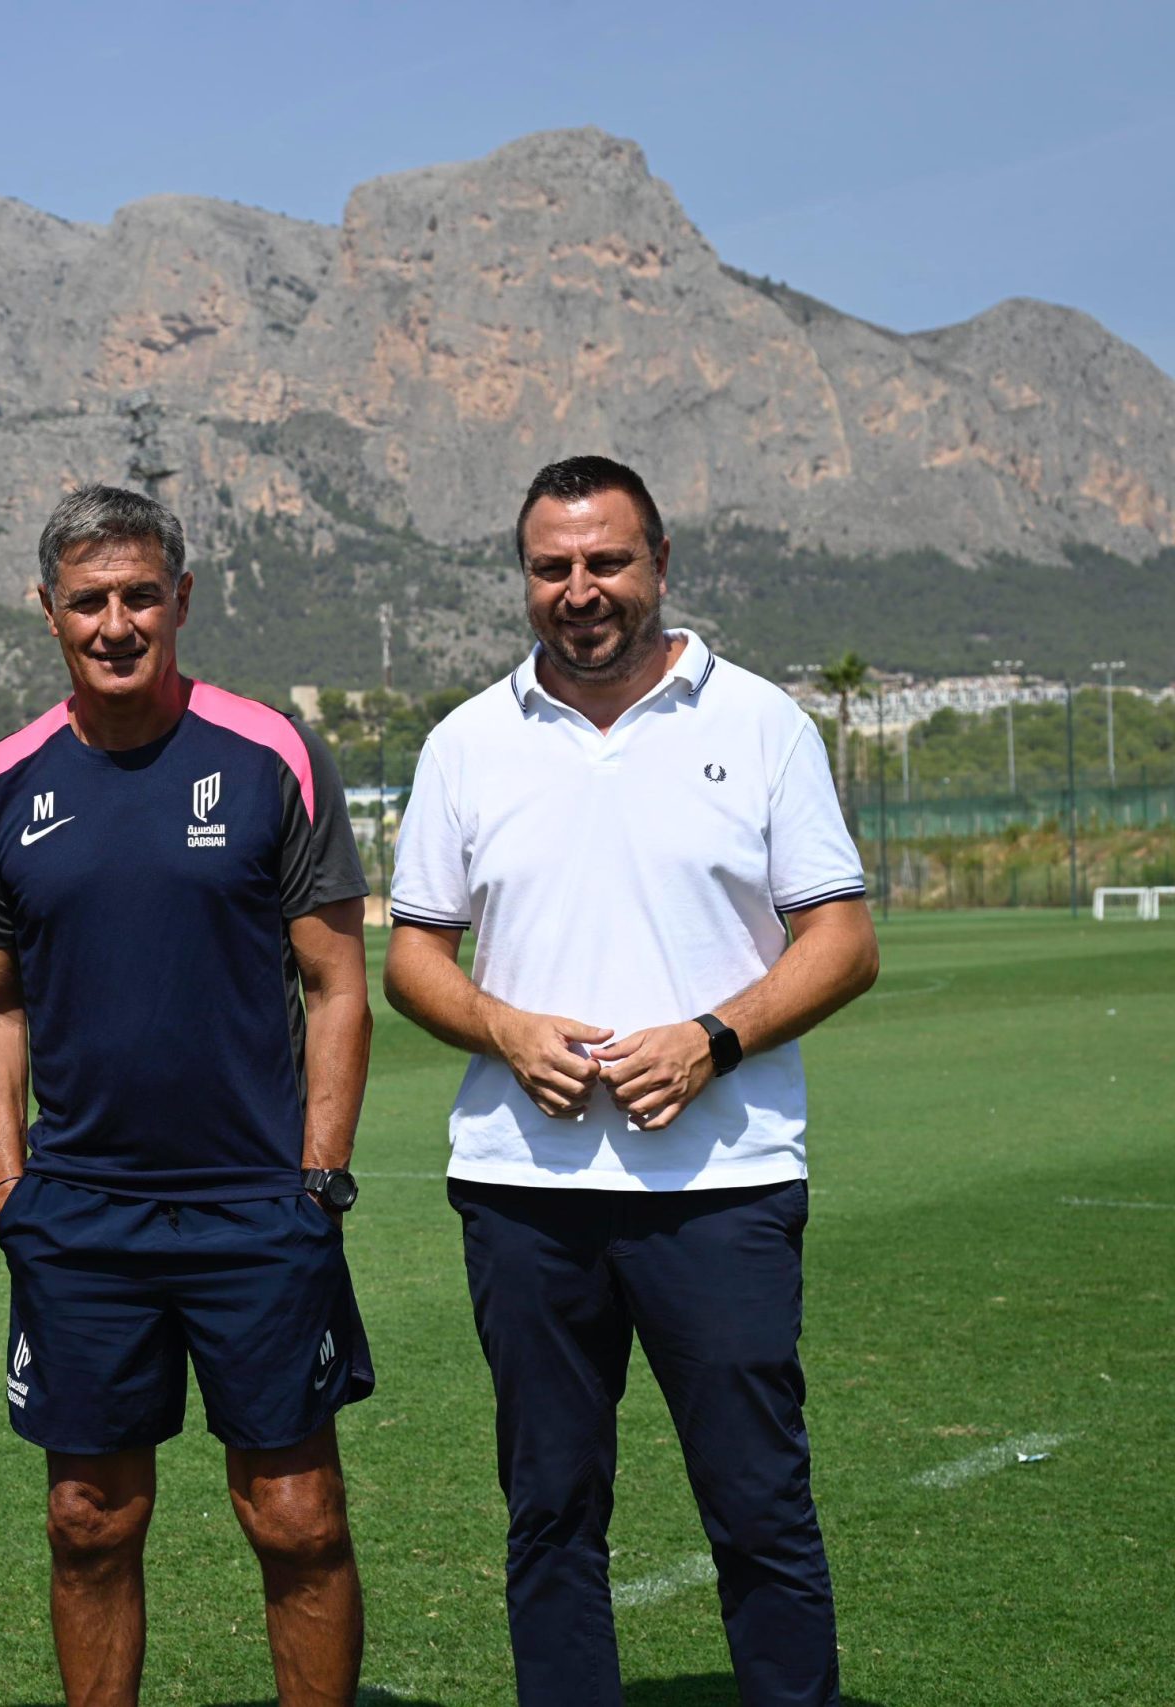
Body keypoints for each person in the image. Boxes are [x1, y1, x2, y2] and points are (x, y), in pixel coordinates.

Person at [384, 455, 879, 1707]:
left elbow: (841, 942)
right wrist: (502, 1028)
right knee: (550, 1511)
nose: (580, 589)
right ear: (524, 578)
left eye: (606, 561)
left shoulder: (760, 723)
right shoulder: (466, 741)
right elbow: (411, 958)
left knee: (758, 1505)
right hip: (522, 1191)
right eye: (551, 567)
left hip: (722, 1187)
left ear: (659, 563)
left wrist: (712, 1038)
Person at [0, 485, 376, 1707]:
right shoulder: (1, 784)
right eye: (88, 601)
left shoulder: (270, 754)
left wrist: (318, 1179)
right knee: (88, 1521)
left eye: (141, 595)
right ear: (48, 613)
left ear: (181, 599)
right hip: (81, 1215)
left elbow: (337, 986)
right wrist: (10, 1188)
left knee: (296, 1517)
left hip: (257, 1206)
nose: (116, 622)